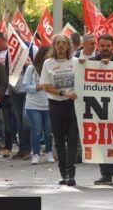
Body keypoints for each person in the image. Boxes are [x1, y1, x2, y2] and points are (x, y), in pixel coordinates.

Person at [39, 34, 79, 186]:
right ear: (54, 46)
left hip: (72, 105)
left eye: (64, 43)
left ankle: (71, 173)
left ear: (69, 46)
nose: (61, 45)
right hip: (56, 105)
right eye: (58, 43)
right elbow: (45, 85)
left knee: (73, 139)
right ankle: (63, 172)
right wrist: (63, 93)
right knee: (60, 141)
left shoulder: (76, 62)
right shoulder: (48, 63)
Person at [89, 34, 113, 185]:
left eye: (108, 46)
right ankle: (105, 174)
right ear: (98, 46)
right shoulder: (91, 62)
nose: (105, 49)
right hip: (99, 111)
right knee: (102, 142)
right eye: (102, 46)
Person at [23, 46, 55, 165]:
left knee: (48, 131)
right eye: (50, 54)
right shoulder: (31, 68)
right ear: (43, 55)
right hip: (33, 105)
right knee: (36, 130)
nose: (52, 56)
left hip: (48, 104)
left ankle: (49, 152)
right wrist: (37, 87)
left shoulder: (52, 68)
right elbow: (25, 86)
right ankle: (35, 153)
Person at [0, 32, 13, 158]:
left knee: (7, 121)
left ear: (0, 41)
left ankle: (8, 146)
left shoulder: (11, 52)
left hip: (7, 93)